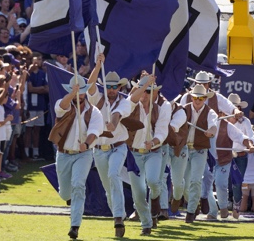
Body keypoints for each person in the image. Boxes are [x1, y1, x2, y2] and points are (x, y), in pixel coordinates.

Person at [181, 70, 243, 215]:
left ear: (208, 84)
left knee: (207, 174)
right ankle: (195, 203)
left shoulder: (216, 97)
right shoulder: (186, 97)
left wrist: (235, 110)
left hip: (208, 139)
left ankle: (203, 202)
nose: (202, 85)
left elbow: (228, 105)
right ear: (195, 83)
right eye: (199, 83)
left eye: (204, 83)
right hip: (189, 139)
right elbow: (179, 111)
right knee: (186, 177)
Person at [48, 75, 103, 239]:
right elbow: (63, 106)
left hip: (83, 154)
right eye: (76, 92)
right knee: (65, 193)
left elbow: (95, 131)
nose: (79, 95)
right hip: (64, 154)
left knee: (78, 185)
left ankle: (75, 225)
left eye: (81, 92)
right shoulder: (62, 104)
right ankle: (69, 199)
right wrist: (73, 93)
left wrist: (86, 144)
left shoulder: (94, 111)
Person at [87, 53, 131, 238]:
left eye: (114, 87)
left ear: (119, 87)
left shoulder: (125, 102)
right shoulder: (98, 100)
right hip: (99, 149)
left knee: (114, 175)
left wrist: (113, 123)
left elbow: (119, 114)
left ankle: (118, 218)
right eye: (108, 87)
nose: (111, 90)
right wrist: (97, 66)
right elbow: (89, 86)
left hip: (118, 146)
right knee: (108, 187)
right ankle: (117, 214)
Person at [127, 74, 171, 235]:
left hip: (153, 151)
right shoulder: (131, 105)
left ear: (155, 93)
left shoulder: (161, 108)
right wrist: (142, 86)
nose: (144, 95)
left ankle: (155, 203)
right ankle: (146, 223)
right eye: (142, 91)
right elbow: (130, 100)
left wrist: (153, 142)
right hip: (134, 153)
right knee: (138, 193)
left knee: (153, 181)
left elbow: (162, 130)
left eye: (148, 92)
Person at [206, 113, 254, 220]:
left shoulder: (229, 125)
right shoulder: (205, 122)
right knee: (206, 186)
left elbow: (242, 137)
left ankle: (228, 207)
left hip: (228, 158)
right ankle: (213, 210)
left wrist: (250, 145)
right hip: (208, 159)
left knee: (225, 184)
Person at [183, 84, 218, 223]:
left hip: (200, 150)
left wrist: (211, 131)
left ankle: (190, 212)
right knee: (182, 183)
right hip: (184, 149)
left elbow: (214, 124)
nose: (198, 101)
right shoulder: (184, 110)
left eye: (201, 98)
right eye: (196, 98)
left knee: (196, 180)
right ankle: (194, 202)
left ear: (205, 99)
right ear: (191, 97)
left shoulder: (210, 112)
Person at [227, 93, 254, 217]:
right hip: (226, 154)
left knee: (237, 182)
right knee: (223, 181)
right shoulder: (223, 120)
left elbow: (251, 137)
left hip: (241, 155)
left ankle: (236, 206)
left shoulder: (246, 122)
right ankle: (228, 203)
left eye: (236, 107)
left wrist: (250, 144)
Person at [25, 53, 48, 159]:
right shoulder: (28, 73)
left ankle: (35, 151)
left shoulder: (43, 73)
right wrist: (41, 89)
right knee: (29, 129)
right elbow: (30, 89)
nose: (38, 61)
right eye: (36, 59)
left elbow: (47, 89)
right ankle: (26, 152)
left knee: (37, 129)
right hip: (30, 105)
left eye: (40, 59)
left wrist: (37, 89)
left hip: (40, 104)